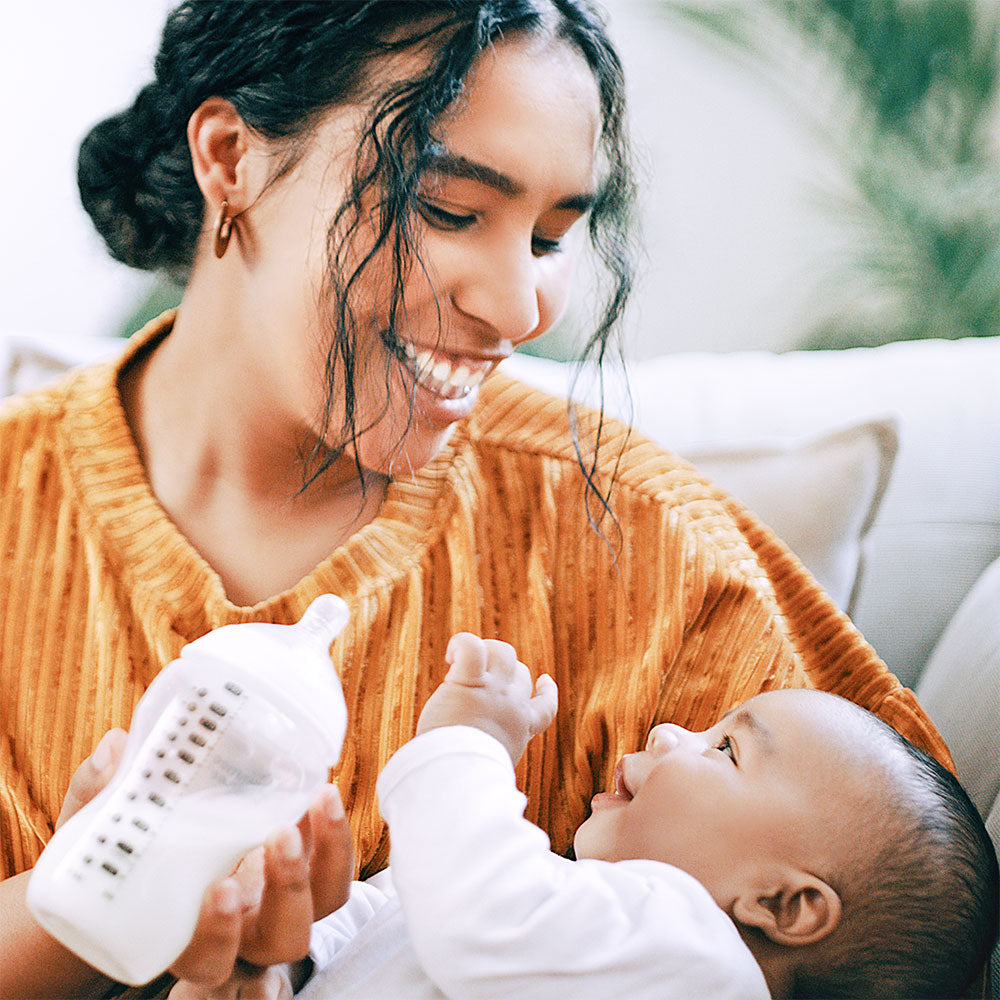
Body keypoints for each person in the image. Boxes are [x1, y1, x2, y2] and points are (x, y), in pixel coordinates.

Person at [0, 2, 953, 997]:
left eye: (548, 237)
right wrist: (92, 902)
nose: (517, 308)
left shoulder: (636, 544)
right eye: (448, 210)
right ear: (231, 155)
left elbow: (901, 918)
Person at [297, 634, 999, 1000]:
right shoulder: (575, 903)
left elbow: (478, 915)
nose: (667, 731)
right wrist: (300, 941)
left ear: (783, 903)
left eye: (724, 748)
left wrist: (466, 746)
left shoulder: (699, 965)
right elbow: (405, 923)